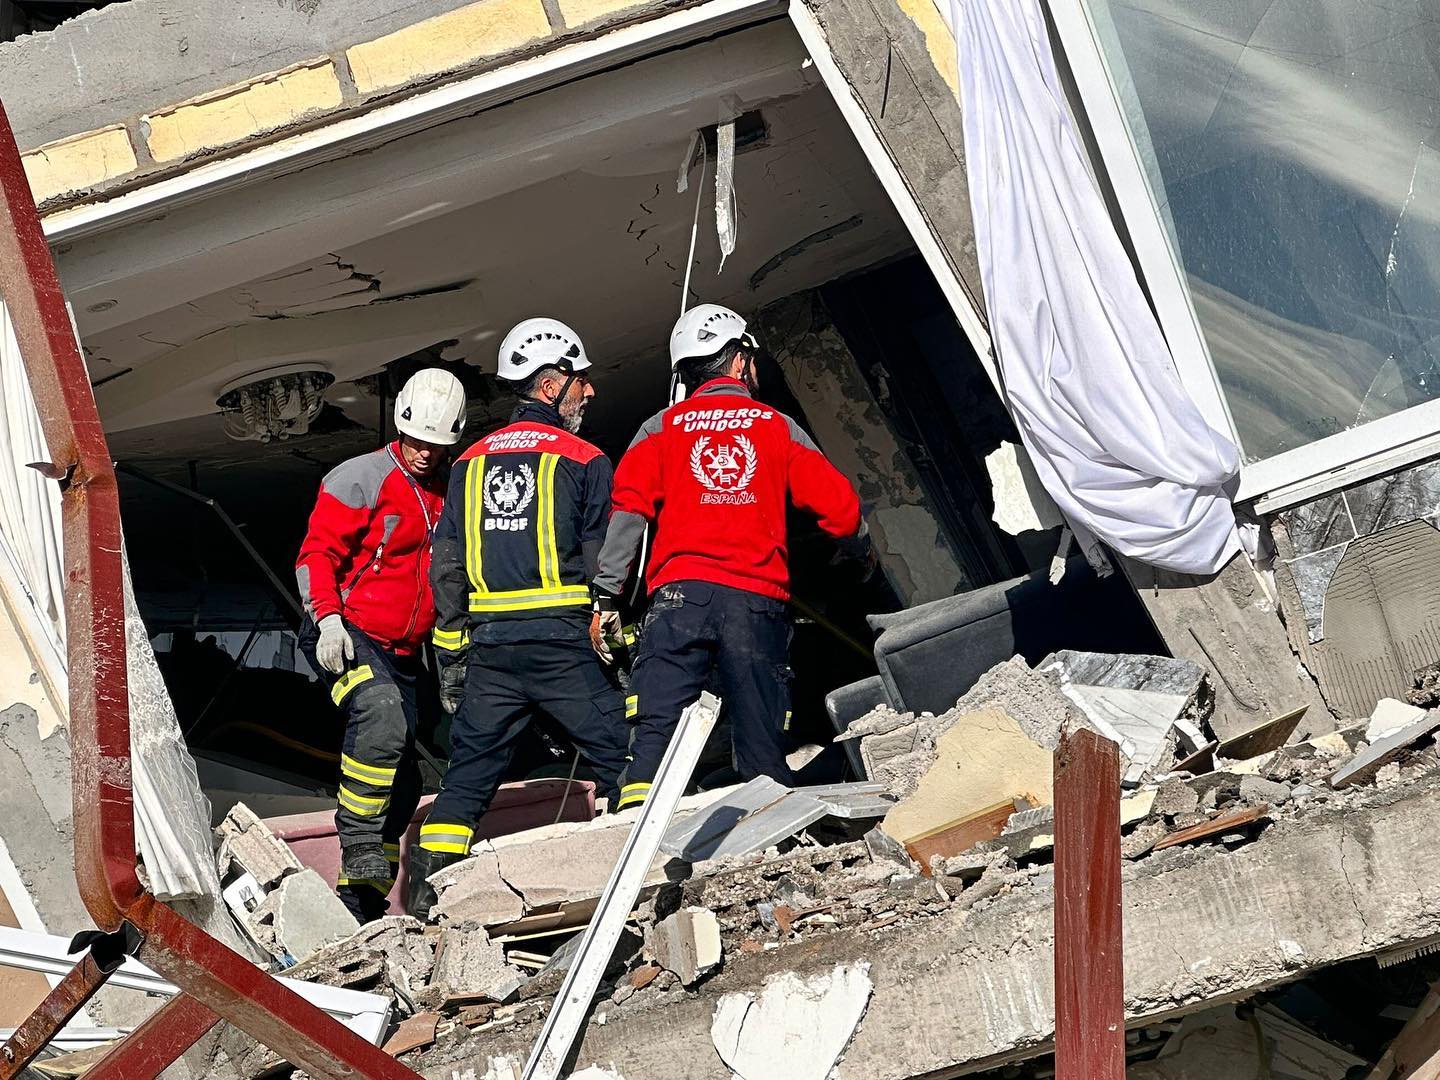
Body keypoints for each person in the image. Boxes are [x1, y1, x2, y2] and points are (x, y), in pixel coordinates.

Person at [591, 304, 867, 810]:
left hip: (677, 602)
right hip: (755, 604)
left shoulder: (659, 429)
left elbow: (628, 515)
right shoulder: (776, 426)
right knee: (761, 740)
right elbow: (842, 513)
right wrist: (858, 550)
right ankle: (772, 850)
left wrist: (607, 597)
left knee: (654, 736)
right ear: (740, 362)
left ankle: (634, 833)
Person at [407, 317, 629, 919]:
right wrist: (615, 628)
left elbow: (446, 563)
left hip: (492, 655)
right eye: (580, 381)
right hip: (563, 642)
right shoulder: (585, 457)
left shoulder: (468, 462)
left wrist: (452, 648)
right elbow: (601, 558)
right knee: (626, 757)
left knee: (466, 781)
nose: (589, 392)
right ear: (552, 384)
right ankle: (647, 882)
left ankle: (427, 910)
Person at [295, 367, 467, 921]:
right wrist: (326, 619)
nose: (423, 452)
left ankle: (362, 900)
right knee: (381, 714)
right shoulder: (360, 478)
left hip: (402, 651)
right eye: (416, 441)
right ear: (401, 428)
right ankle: (360, 843)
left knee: (406, 777)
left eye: (435, 445)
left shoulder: (448, 490)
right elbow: (316, 555)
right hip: (344, 632)